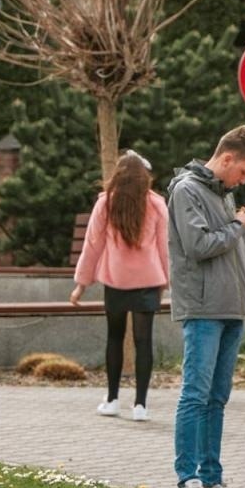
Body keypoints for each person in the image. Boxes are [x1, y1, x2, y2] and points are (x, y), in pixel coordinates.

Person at [166, 125, 245, 488]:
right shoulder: (187, 189)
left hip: (230, 308)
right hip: (204, 309)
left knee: (217, 398)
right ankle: (186, 484)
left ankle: (212, 480)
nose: (243, 180)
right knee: (195, 395)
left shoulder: (220, 193)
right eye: (243, 172)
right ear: (227, 158)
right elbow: (199, 246)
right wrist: (238, 227)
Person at [70, 151, 168, 422]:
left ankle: (112, 400)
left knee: (114, 337)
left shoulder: (105, 204)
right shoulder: (157, 204)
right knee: (144, 341)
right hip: (149, 282)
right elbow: (165, 248)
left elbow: (93, 245)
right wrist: (167, 281)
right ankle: (140, 405)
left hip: (115, 281)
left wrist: (81, 285)